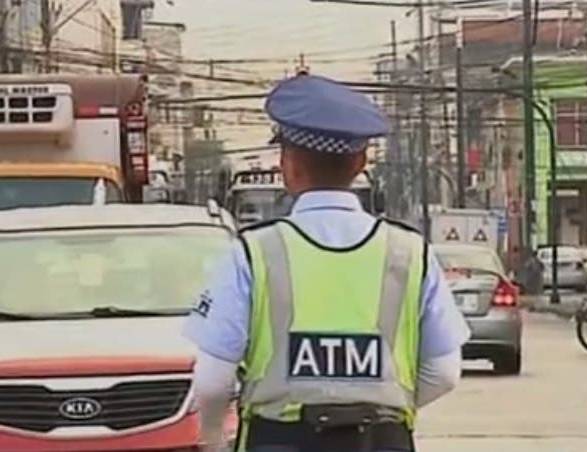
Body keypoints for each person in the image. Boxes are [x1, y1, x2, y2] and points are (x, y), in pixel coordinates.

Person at [183, 74, 471, 452]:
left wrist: (213, 438)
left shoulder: (253, 253)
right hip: (381, 441)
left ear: (288, 164)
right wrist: (378, 406)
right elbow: (444, 373)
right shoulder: (410, 253)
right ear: (360, 162)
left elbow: (213, 381)